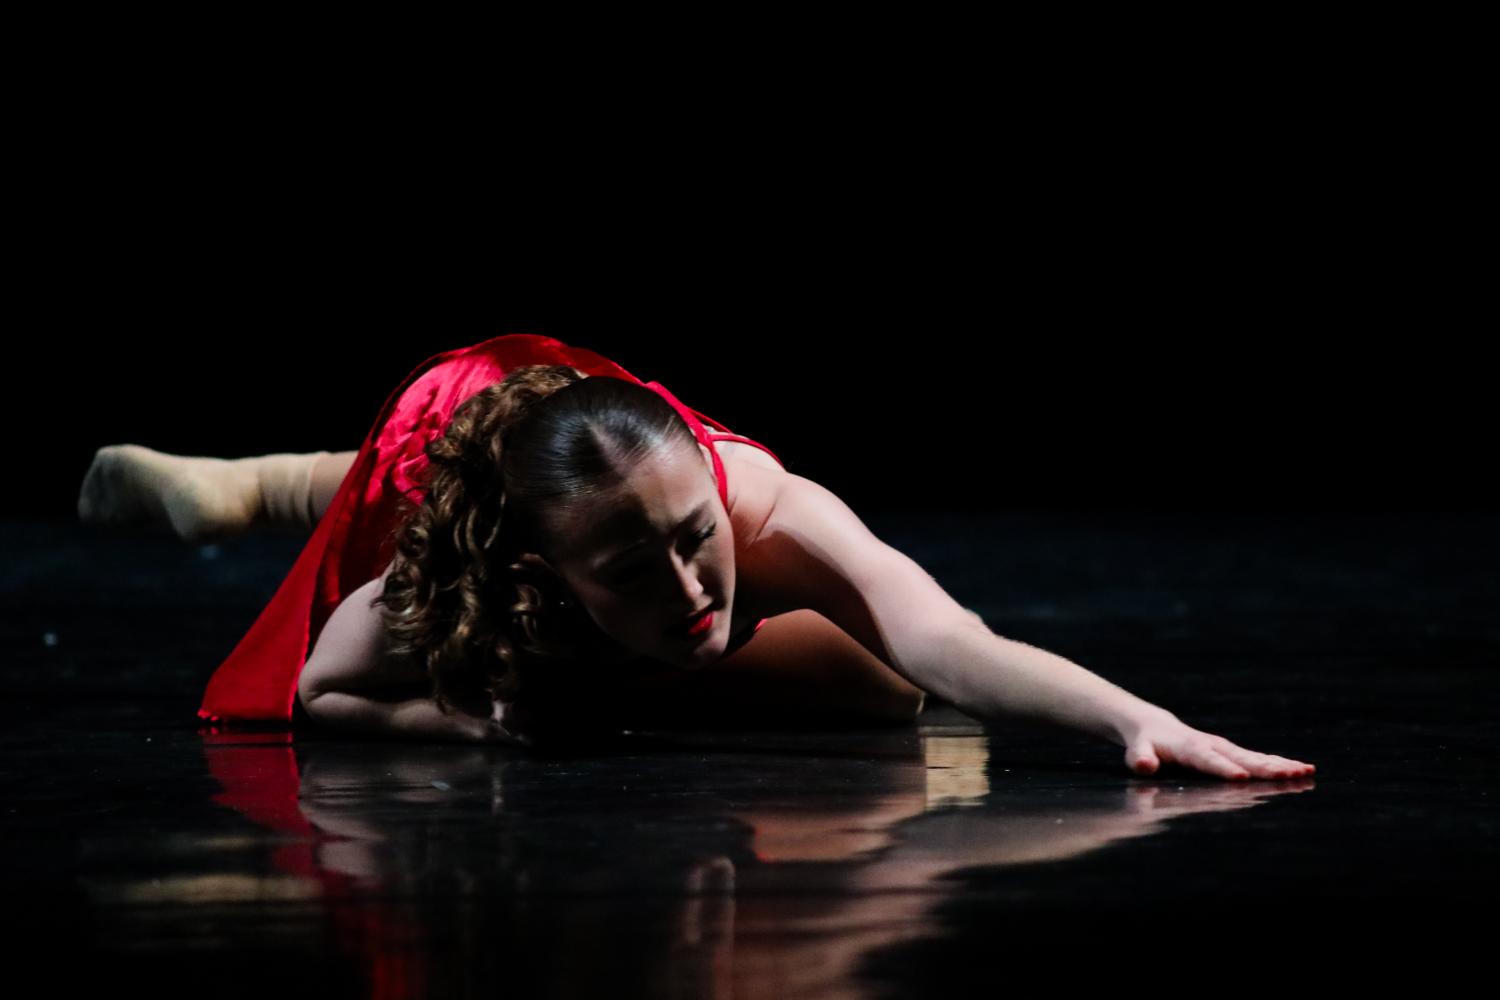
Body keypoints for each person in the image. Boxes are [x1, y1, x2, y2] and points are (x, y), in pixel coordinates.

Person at [77, 333, 1315, 780]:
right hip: (452, 440)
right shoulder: (464, 582)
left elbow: (956, 643)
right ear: (545, 576)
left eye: (696, 543)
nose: (690, 588)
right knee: (381, 479)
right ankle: (237, 491)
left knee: (897, 693)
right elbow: (313, 692)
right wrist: (455, 728)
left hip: (598, 443)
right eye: (627, 568)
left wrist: (1137, 722)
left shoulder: (769, 512)